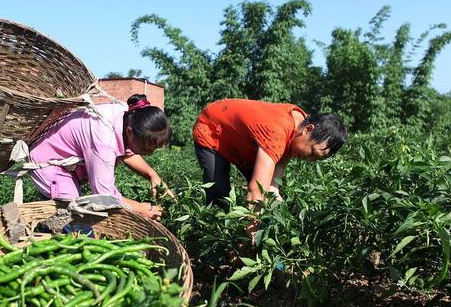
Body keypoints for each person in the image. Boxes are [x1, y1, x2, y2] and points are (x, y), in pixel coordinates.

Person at [193, 98, 347, 217]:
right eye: (312, 152)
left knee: (267, 199)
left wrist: (280, 211)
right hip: (213, 127)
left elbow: (272, 186)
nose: (309, 159)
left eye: (316, 159)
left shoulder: (299, 130)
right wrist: (251, 235)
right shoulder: (277, 132)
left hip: (244, 143)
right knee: (219, 193)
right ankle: (213, 241)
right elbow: (256, 192)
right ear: (308, 129)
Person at [29, 94, 170, 220]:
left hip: (69, 162)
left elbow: (129, 152)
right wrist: (140, 208)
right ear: (129, 132)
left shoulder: (129, 117)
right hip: (49, 163)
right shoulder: (104, 140)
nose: (150, 154)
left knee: (80, 217)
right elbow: (104, 196)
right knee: (73, 217)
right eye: (146, 148)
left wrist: (153, 175)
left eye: (154, 149)